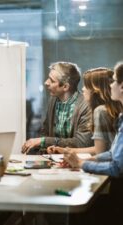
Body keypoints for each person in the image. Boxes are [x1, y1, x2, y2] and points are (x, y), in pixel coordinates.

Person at [63, 62, 123, 225]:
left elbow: (116, 166)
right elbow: (111, 153)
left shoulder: (100, 111)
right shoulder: (119, 116)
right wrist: (85, 160)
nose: (111, 84)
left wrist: (82, 163)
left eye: (115, 80)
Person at [22, 61, 93, 154]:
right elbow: (45, 131)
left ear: (65, 86)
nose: (46, 82)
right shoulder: (53, 100)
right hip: (56, 161)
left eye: (51, 80)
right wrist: (43, 148)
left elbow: (81, 142)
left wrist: (44, 141)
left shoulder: (86, 106)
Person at [47, 68, 122, 155]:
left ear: (96, 90)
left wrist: (78, 162)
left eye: (86, 86)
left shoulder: (100, 111)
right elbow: (101, 149)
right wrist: (66, 151)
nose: (82, 89)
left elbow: (100, 152)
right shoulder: (112, 110)